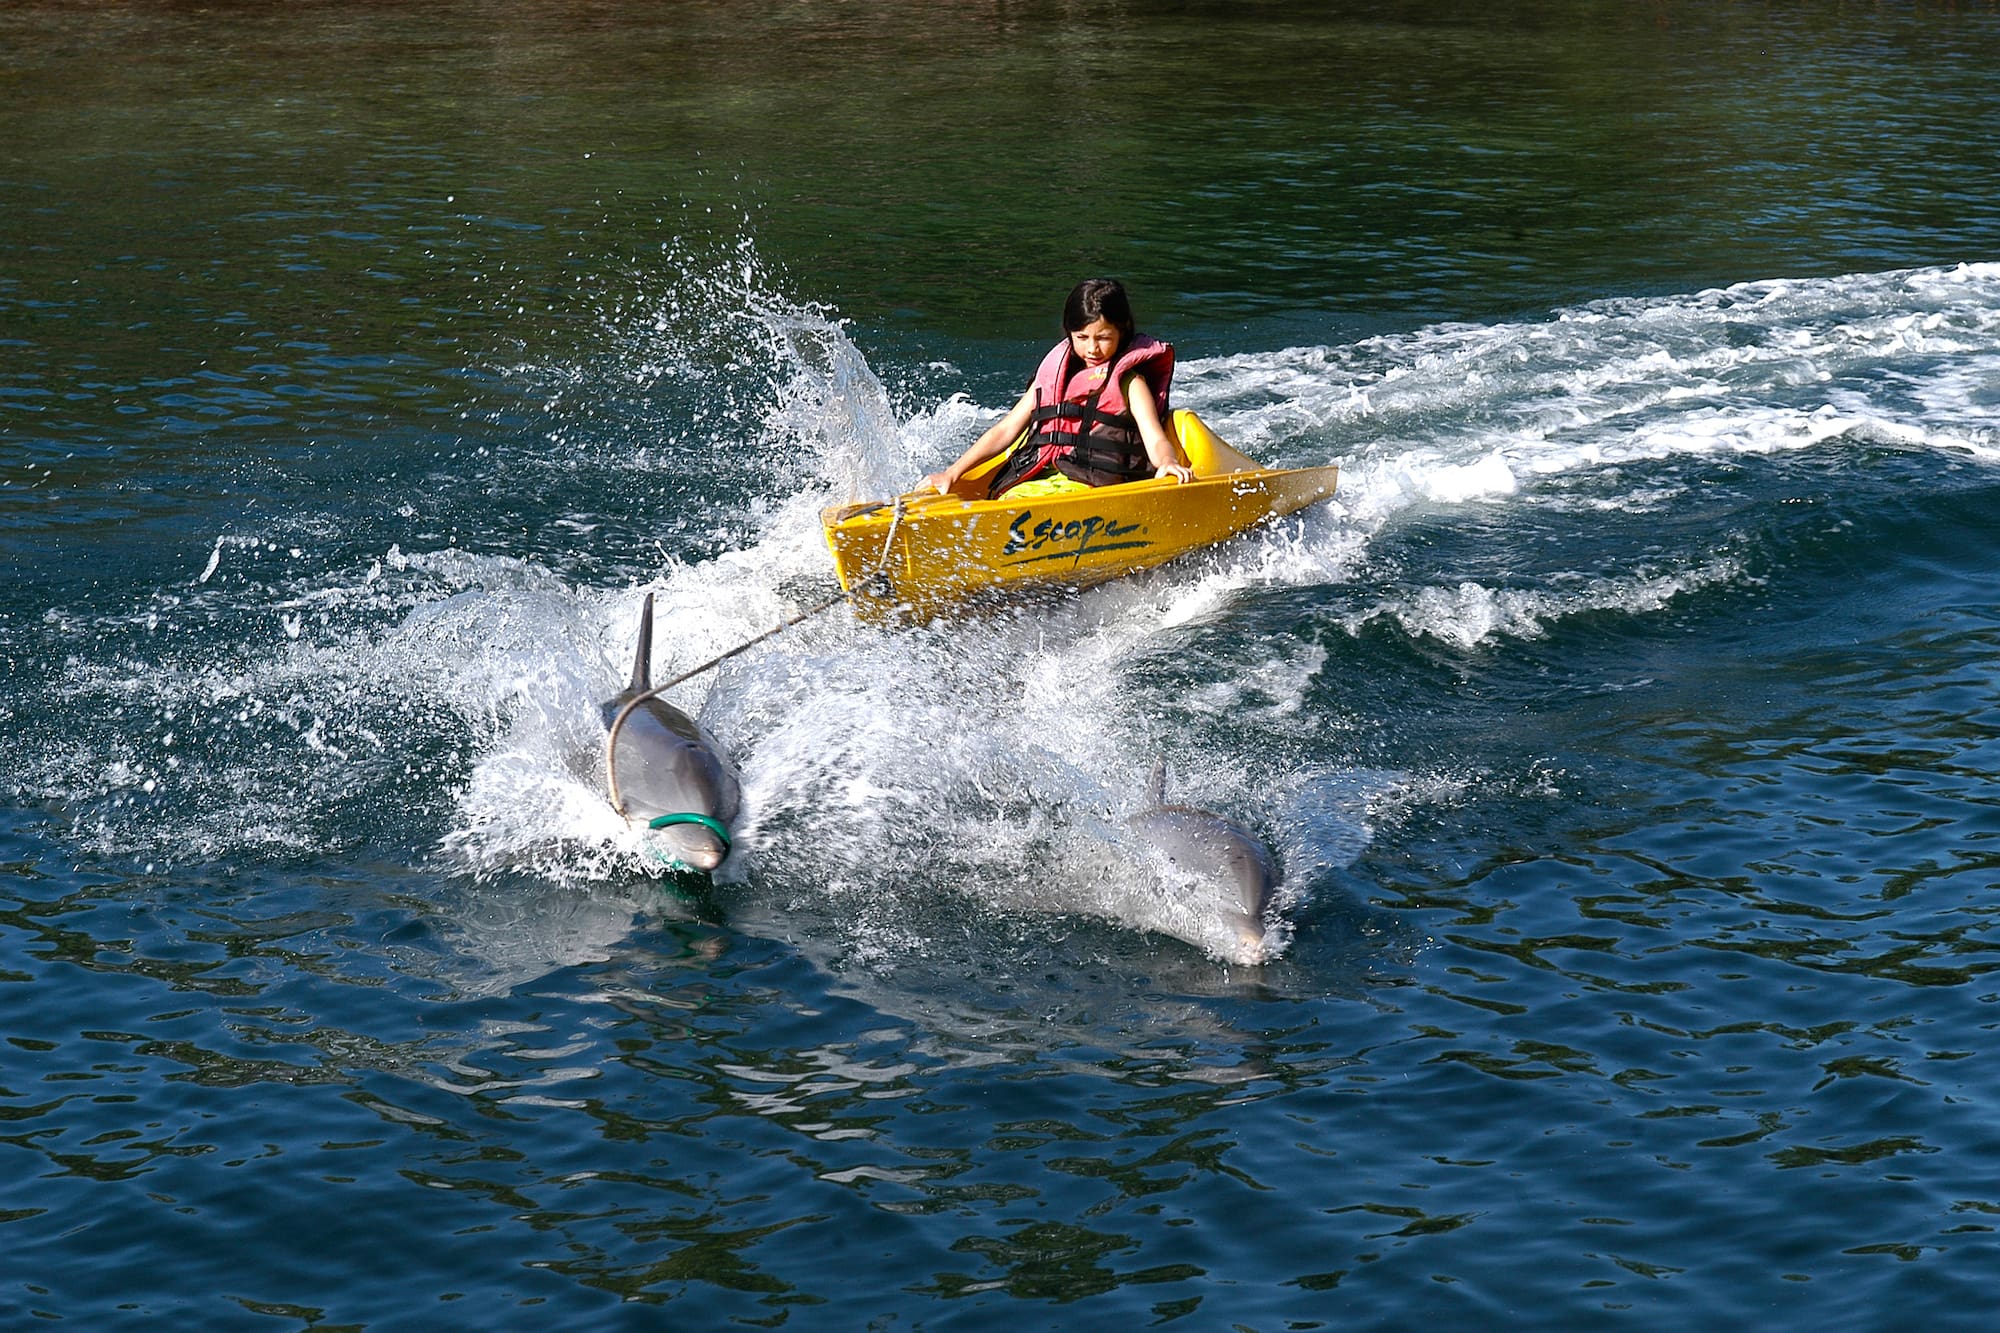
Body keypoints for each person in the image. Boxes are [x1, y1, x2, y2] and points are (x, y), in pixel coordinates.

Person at [924, 279, 1194, 499]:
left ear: (1122, 332)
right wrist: (952, 473)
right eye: (1082, 338)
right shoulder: (1054, 379)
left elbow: (1155, 438)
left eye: (1103, 338)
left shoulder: (1131, 384)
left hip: (1093, 488)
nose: (1092, 348)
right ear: (1069, 334)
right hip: (1034, 483)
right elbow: (1005, 430)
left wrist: (1167, 462)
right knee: (1010, 497)